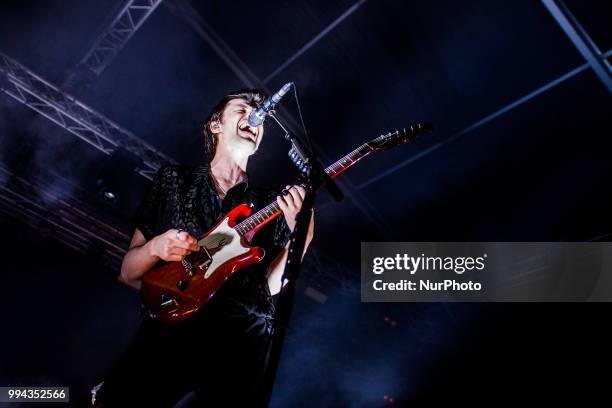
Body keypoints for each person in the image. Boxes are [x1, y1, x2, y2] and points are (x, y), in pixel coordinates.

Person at [93, 89, 314, 407]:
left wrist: (300, 239)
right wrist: (156, 246)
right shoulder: (175, 181)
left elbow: (269, 288)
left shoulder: (269, 203)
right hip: (174, 326)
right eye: (243, 108)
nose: (255, 115)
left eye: (259, 112)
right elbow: (128, 273)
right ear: (216, 125)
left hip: (241, 339)